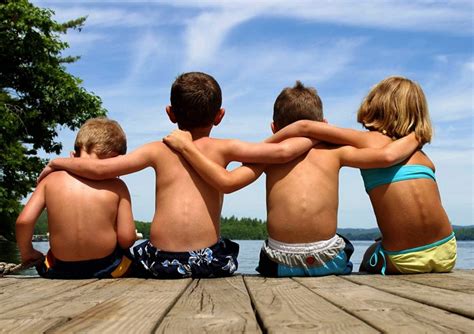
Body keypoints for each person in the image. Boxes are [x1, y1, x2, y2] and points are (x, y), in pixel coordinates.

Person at [37, 72, 314, 278]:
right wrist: (314, 136)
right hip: (207, 262)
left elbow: (98, 169)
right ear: (220, 116)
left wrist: (58, 163)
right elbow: (282, 153)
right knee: (226, 247)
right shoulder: (226, 147)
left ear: (170, 113)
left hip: (160, 262)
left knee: (128, 256)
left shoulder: (158, 150)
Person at [163, 81, 420, 277]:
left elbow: (230, 180)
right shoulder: (337, 152)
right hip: (328, 261)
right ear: (324, 124)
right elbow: (386, 157)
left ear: (274, 128)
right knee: (351, 246)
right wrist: (416, 137)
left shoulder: (267, 158)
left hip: (279, 263)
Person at [266, 76, 456, 275]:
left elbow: (304, 127)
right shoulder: (421, 153)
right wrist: (418, 135)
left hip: (403, 260)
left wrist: (272, 146)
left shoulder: (367, 141)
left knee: (368, 256)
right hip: (447, 251)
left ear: (374, 105)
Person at [16, 118, 137, 279]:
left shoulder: (50, 180)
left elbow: (23, 222)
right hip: (109, 268)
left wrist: (27, 252)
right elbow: (127, 239)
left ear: (73, 156)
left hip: (58, 269)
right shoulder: (117, 186)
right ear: (115, 162)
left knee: (47, 259)